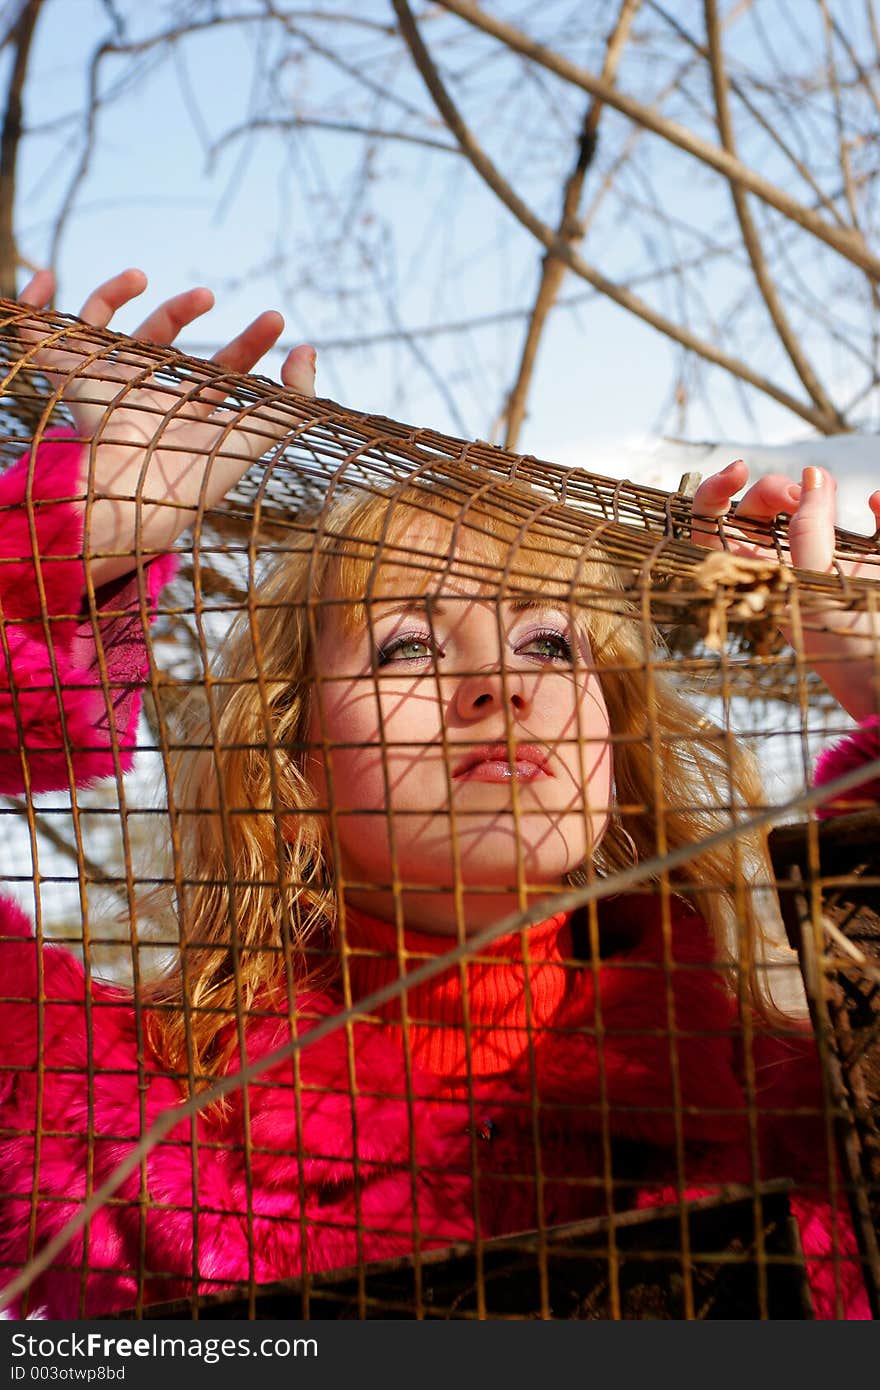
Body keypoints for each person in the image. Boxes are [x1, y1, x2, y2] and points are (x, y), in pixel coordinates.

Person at [0, 271, 878, 1320]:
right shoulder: (103, 1116)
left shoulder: (798, 1101)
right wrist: (57, 550)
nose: (497, 686)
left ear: (615, 735)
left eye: (548, 643)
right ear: (292, 763)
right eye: (406, 644)